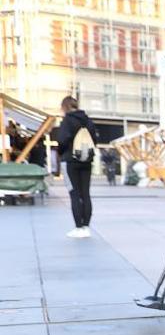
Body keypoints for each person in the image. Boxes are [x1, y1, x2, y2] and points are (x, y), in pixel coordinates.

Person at [54, 96, 98, 237]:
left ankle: (78, 227)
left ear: (65, 107)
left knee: (74, 194)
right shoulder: (87, 119)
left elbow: (62, 140)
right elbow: (95, 139)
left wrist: (61, 153)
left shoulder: (67, 120)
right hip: (86, 160)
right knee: (85, 193)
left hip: (70, 161)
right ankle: (86, 227)